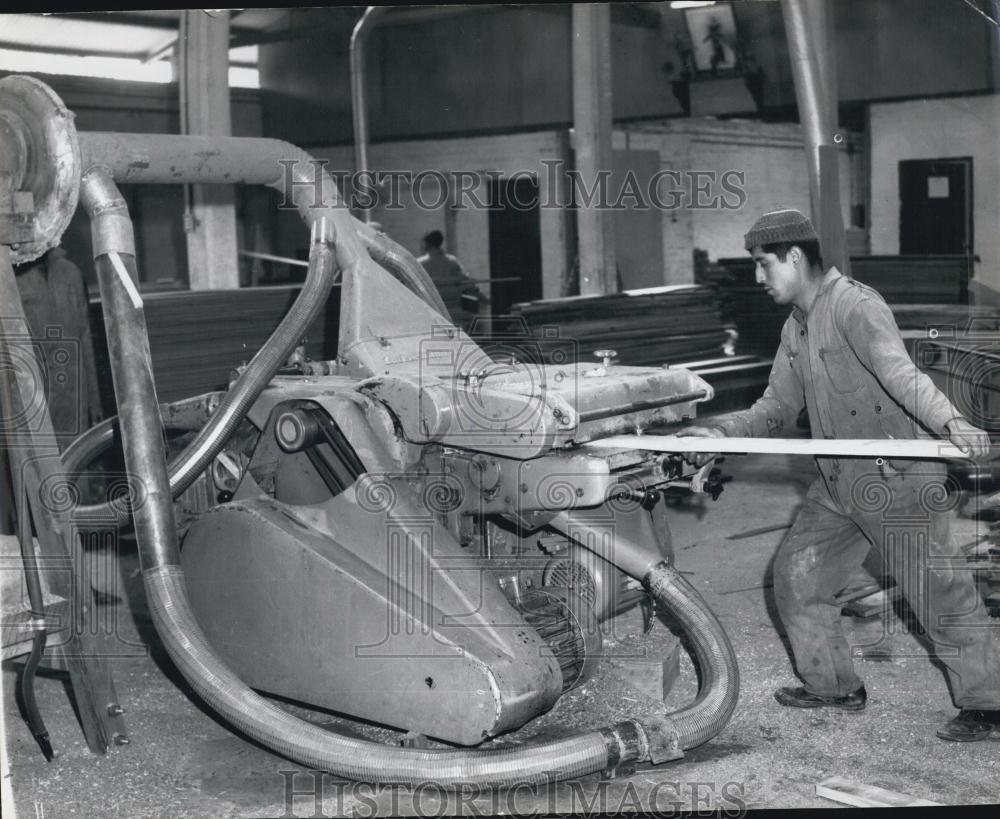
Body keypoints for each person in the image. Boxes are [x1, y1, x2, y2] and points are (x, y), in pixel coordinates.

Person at [680, 207, 1000, 742]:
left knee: (940, 592)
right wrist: (721, 433)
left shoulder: (855, 304)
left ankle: (989, 703)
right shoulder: (795, 328)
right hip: (836, 483)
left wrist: (952, 420)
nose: (758, 277)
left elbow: (900, 370)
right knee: (798, 577)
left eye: (763, 264)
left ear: (795, 256)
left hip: (895, 478)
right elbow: (776, 406)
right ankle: (833, 685)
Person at [417, 230, 483, 328]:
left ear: (427, 243)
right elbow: (468, 282)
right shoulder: (452, 262)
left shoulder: (420, 264)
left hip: (432, 312)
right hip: (453, 312)